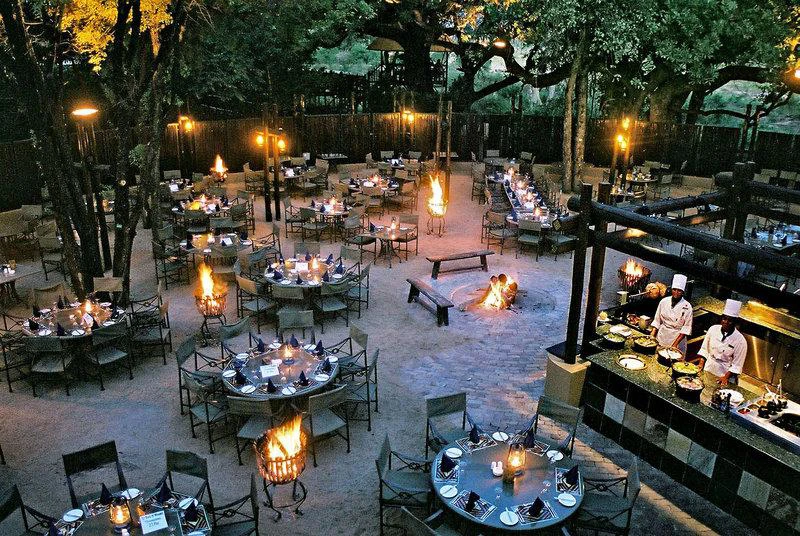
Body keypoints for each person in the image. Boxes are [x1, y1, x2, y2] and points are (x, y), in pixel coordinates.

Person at [695, 299, 747, 387]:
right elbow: (704, 349)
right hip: (709, 368)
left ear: (735, 322)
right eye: (724, 318)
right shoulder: (713, 329)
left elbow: (737, 365)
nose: (726, 322)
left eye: (730, 320)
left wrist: (725, 377)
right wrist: (700, 364)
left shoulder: (740, 341)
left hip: (725, 374)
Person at [650, 274, 692, 355]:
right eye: (674, 290)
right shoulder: (664, 301)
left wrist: (674, 345)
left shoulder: (687, 306)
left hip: (677, 339)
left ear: (683, 292)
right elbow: (657, 320)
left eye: (679, 291)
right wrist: (652, 336)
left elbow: (686, 329)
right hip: (662, 337)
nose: (676, 292)